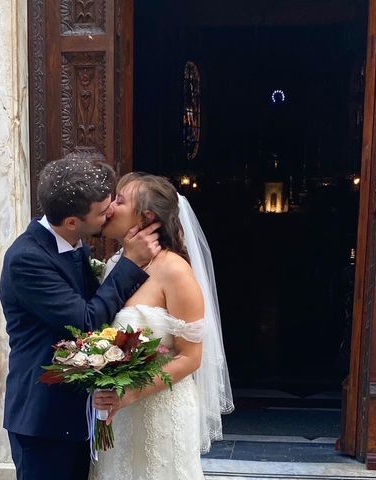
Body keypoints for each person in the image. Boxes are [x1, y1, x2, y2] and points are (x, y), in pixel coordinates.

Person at [0, 159, 161, 480]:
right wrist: (130, 262)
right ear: (72, 221)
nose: (112, 211)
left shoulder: (75, 243)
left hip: (77, 416)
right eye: (104, 210)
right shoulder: (27, 258)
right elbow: (86, 321)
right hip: (43, 419)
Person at [91, 172, 234, 480]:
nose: (110, 207)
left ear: (147, 216)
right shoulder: (117, 263)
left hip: (160, 412)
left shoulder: (175, 271)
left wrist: (130, 392)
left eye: (120, 200)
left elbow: (190, 357)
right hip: (119, 417)